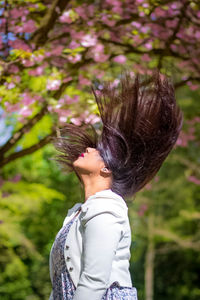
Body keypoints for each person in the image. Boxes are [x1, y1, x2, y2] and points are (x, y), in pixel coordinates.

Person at [49, 69, 183, 299]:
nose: (89, 149)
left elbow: (94, 282)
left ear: (106, 168)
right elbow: (61, 284)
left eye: (97, 151)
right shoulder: (80, 213)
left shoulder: (105, 209)